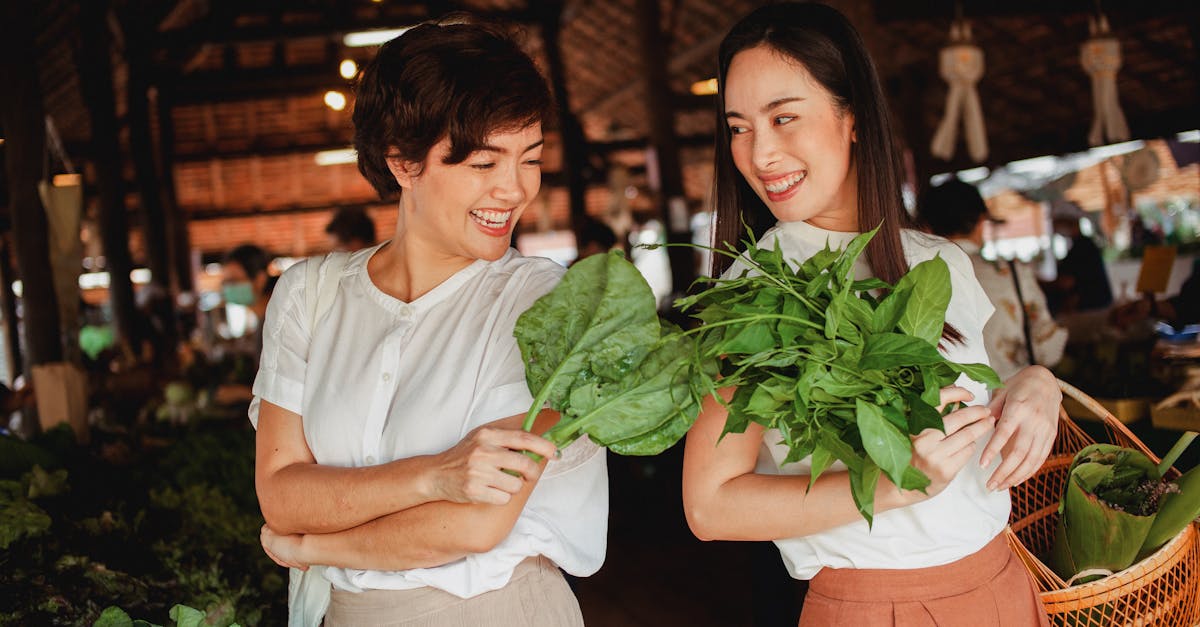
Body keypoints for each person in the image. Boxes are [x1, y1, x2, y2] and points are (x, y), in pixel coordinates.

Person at [681, 4, 1061, 625]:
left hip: (1004, 581)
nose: (760, 153)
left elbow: (969, 410)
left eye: (783, 118)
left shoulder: (938, 260)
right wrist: (891, 484)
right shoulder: (755, 289)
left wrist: (1037, 384)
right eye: (740, 127)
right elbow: (710, 506)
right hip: (879, 605)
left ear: (852, 115)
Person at [251, 19, 606, 626]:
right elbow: (282, 497)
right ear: (403, 163)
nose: (514, 189)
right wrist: (433, 478)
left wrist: (314, 547)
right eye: (483, 163)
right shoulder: (309, 294)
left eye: (530, 159)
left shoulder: (548, 303)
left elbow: (475, 524)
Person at [918, 179, 1068, 380]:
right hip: (1012, 391)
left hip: (948, 396)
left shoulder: (916, 276)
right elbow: (1048, 349)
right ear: (981, 221)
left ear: (927, 226)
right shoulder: (1012, 274)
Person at [213, 244, 275, 405]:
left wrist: (240, 393)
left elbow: (281, 395)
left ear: (260, 279)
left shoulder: (275, 323)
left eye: (233, 281)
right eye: (225, 282)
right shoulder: (263, 320)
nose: (227, 288)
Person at [1044, 200, 1113, 316]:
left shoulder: (1083, 248)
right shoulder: (1081, 246)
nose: (1055, 228)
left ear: (1068, 222)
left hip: (1091, 310)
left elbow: (1067, 282)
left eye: (1057, 223)